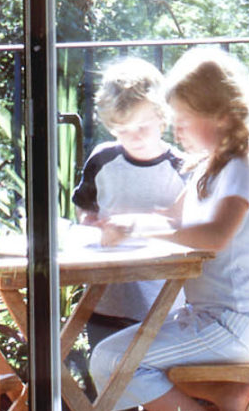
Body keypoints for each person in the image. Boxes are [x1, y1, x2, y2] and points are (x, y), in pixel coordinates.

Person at [88, 47, 249, 411]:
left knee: (110, 360)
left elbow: (214, 236)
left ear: (221, 116)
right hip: (209, 317)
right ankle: (223, 396)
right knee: (110, 357)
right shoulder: (209, 167)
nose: (178, 132)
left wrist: (141, 229)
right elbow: (172, 219)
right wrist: (125, 224)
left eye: (186, 122)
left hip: (234, 323)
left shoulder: (240, 166)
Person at [71, 57, 187, 356]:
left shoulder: (180, 168)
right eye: (122, 129)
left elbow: (185, 225)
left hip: (161, 300)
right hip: (105, 297)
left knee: (151, 377)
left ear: (163, 119)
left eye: (141, 128)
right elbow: (84, 206)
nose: (132, 137)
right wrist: (90, 221)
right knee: (106, 379)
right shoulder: (103, 159)